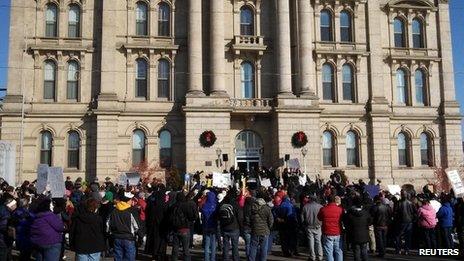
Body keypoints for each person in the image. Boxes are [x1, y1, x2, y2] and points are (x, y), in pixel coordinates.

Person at [107, 193, 141, 261]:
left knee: (118, 258)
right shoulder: (131, 211)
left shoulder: (114, 211)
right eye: (131, 199)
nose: (132, 201)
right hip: (128, 238)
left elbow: (108, 224)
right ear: (127, 201)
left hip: (117, 237)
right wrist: (139, 235)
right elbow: (136, 226)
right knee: (129, 258)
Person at [30, 196, 65, 261]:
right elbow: (60, 227)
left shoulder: (35, 216)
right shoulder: (50, 215)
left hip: (38, 242)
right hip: (51, 242)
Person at [170, 191, 199, 261]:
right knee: (185, 249)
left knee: (175, 248)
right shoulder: (186, 206)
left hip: (175, 229)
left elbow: (169, 217)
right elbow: (192, 216)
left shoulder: (173, 206)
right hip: (185, 228)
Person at [344, 197, 372, 261]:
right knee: (364, 251)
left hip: (354, 234)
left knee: (356, 251)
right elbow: (370, 221)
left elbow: (346, 222)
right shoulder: (366, 213)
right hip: (364, 234)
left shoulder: (350, 213)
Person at [317, 195, 343, 261]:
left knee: (329, 252)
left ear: (327, 201)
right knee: (338, 251)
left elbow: (319, 218)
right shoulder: (340, 209)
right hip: (337, 232)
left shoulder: (323, 209)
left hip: (327, 232)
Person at [248, 194, 273, 261]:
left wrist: (252, 226)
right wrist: (268, 228)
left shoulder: (252, 208)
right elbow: (271, 220)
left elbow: (249, 219)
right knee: (264, 248)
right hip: (264, 231)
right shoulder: (267, 209)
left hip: (255, 231)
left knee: (253, 247)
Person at [219, 189, 241, 261]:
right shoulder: (236, 204)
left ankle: (225, 258)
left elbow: (218, 215)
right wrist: (241, 226)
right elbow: (240, 217)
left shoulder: (223, 203)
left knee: (226, 246)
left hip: (225, 227)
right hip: (234, 227)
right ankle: (236, 259)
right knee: (235, 246)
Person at [301, 194, 323, 261]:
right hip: (318, 226)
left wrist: (304, 225)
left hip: (309, 226)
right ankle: (320, 256)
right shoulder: (320, 207)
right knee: (318, 241)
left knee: (311, 242)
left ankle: (312, 256)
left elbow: (302, 218)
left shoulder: (305, 207)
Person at [394, 190, 416, 255]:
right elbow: (415, 212)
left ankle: (399, 249)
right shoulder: (411, 203)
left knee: (398, 236)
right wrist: (413, 219)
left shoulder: (398, 203)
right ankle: (407, 250)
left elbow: (395, 212)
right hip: (408, 221)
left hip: (401, 221)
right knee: (407, 236)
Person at [201, 191, 218, 261]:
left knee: (207, 244)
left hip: (206, 226)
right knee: (213, 244)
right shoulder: (215, 206)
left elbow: (203, 216)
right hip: (213, 226)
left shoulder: (205, 206)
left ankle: (206, 259)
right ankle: (212, 258)